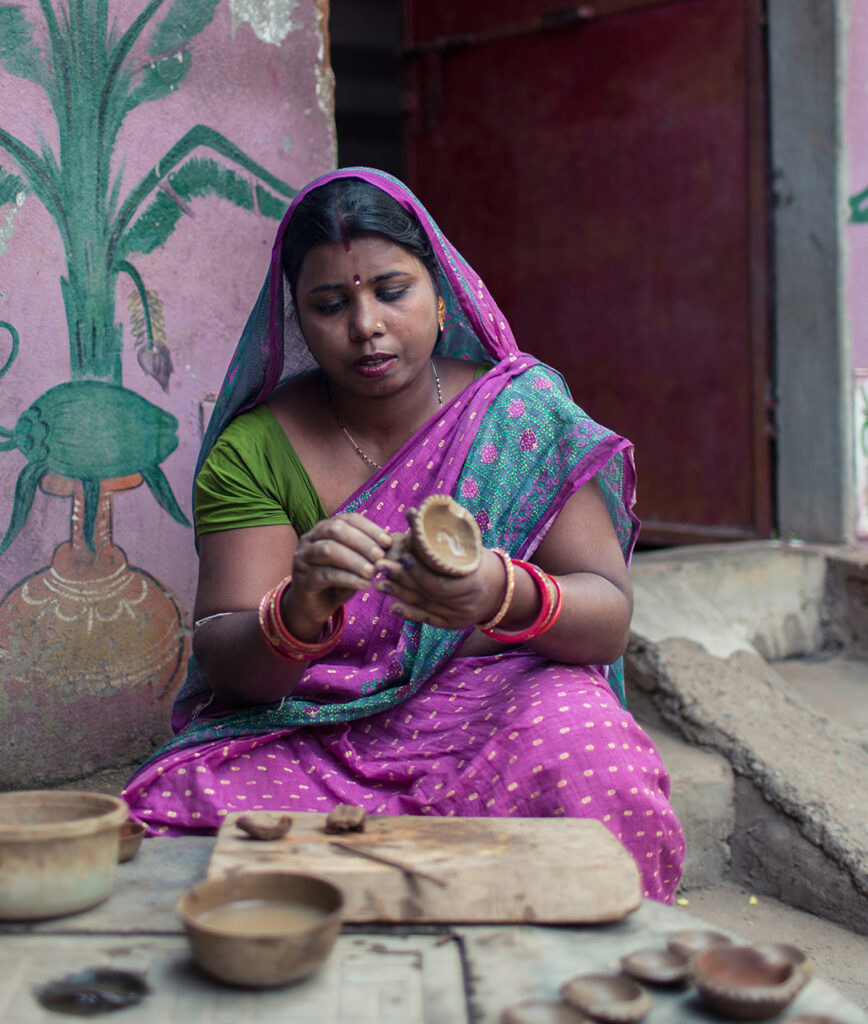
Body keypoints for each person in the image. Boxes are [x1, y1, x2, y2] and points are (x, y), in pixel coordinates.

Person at [122, 167, 685, 902]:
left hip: (497, 709)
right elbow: (234, 664)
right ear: (296, 319)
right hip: (319, 727)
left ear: (442, 296)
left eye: (392, 291)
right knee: (171, 814)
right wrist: (295, 612)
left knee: (592, 754)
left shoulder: (521, 415)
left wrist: (499, 592)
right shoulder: (255, 450)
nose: (366, 326)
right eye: (329, 304)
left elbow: (606, 620)